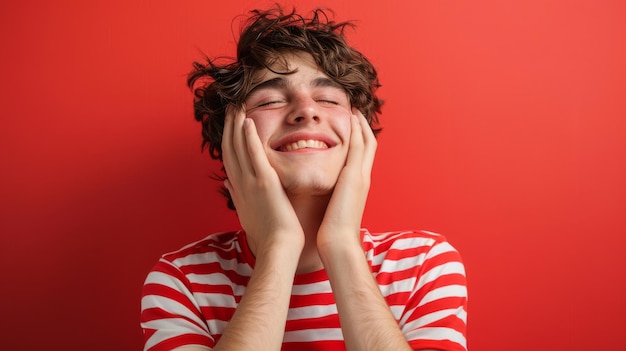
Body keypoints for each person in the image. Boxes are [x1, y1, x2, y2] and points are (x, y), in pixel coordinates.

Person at [141, 6, 468, 351]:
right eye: (269, 100)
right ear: (230, 141)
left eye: (327, 98)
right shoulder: (181, 280)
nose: (306, 110)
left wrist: (341, 244)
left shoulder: (422, 266)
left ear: (360, 133)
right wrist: (278, 247)